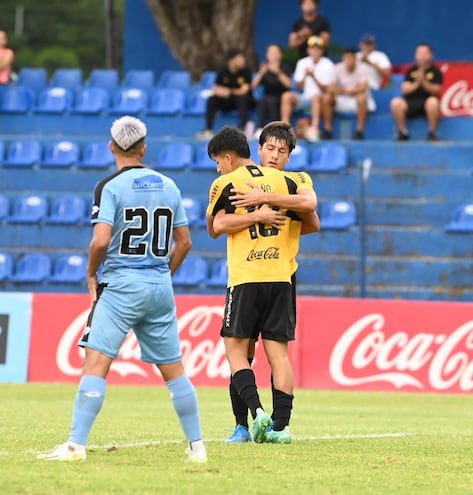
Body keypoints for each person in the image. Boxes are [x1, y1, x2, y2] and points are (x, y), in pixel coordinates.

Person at [38, 116, 207, 463]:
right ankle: (198, 448)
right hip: (159, 286)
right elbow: (185, 241)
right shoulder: (169, 185)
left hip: (121, 284)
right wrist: (163, 273)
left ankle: (75, 446)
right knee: (174, 371)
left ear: (112, 147)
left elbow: (100, 239)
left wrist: (90, 273)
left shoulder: (109, 186)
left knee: (95, 363)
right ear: (144, 148)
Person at [206, 126, 317, 444]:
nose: (275, 155)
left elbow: (215, 225)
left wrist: (260, 202)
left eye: (282, 151)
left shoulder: (229, 182)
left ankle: (251, 420)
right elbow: (312, 217)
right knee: (277, 354)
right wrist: (266, 216)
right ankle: (280, 428)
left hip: (246, 277)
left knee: (237, 351)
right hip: (282, 278)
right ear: (259, 149)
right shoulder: (295, 183)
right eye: (271, 148)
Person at [280, 35, 335, 142]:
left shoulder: (328, 64)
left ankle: (313, 128)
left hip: (320, 99)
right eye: (312, 48)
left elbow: (327, 90)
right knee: (286, 96)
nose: (315, 51)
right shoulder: (302, 63)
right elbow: (297, 87)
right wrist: (305, 75)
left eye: (318, 48)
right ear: (308, 50)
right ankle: (285, 128)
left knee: (315, 96)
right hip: (304, 97)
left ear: (322, 50)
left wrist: (313, 76)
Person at [196, 49, 256, 139]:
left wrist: (229, 91)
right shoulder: (223, 72)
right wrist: (223, 92)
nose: (243, 60)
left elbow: (244, 91)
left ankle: (243, 128)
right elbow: (215, 88)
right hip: (227, 101)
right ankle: (208, 129)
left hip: (245, 101)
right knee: (212, 99)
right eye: (239, 58)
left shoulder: (246, 72)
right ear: (231, 61)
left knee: (242, 98)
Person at [390, 43, 443, 141]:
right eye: (419, 53)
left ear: (431, 55)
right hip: (411, 102)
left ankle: (432, 132)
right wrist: (417, 82)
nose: (421, 56)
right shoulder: (411, 71)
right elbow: (405, 89)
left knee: (433, 102)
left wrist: (423, 81)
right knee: (395, 103)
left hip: (427, 102)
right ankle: (403, 132)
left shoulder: (436, 71)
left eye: (424, 53)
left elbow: (436, 90)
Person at [322, 47, 376, 140]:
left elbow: (362, 88)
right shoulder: (338, 67)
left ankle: (360, 131)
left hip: (357, 100)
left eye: (351, 58)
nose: (349, 60)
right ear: (343, 58)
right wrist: (347, 91)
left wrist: (343, 91)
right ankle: (327, 130)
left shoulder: (363, 68)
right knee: (327, 97)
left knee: (362, 97)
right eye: (346, 58)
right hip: (342, 99)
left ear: (355, 59)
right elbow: (331, 88)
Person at [251, 44, 292, 137]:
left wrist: (278, 72)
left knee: (271, 101)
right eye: (269, 52)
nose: (271, 55)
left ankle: (275, 129)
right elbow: (253, 85)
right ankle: (260, 128)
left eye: (274, 52)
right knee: (263, 101)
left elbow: (289, 84)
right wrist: (261, 72)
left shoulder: (284, 67)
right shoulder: (264, 68)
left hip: (281, 97)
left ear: (280, 55)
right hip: (267, 96)